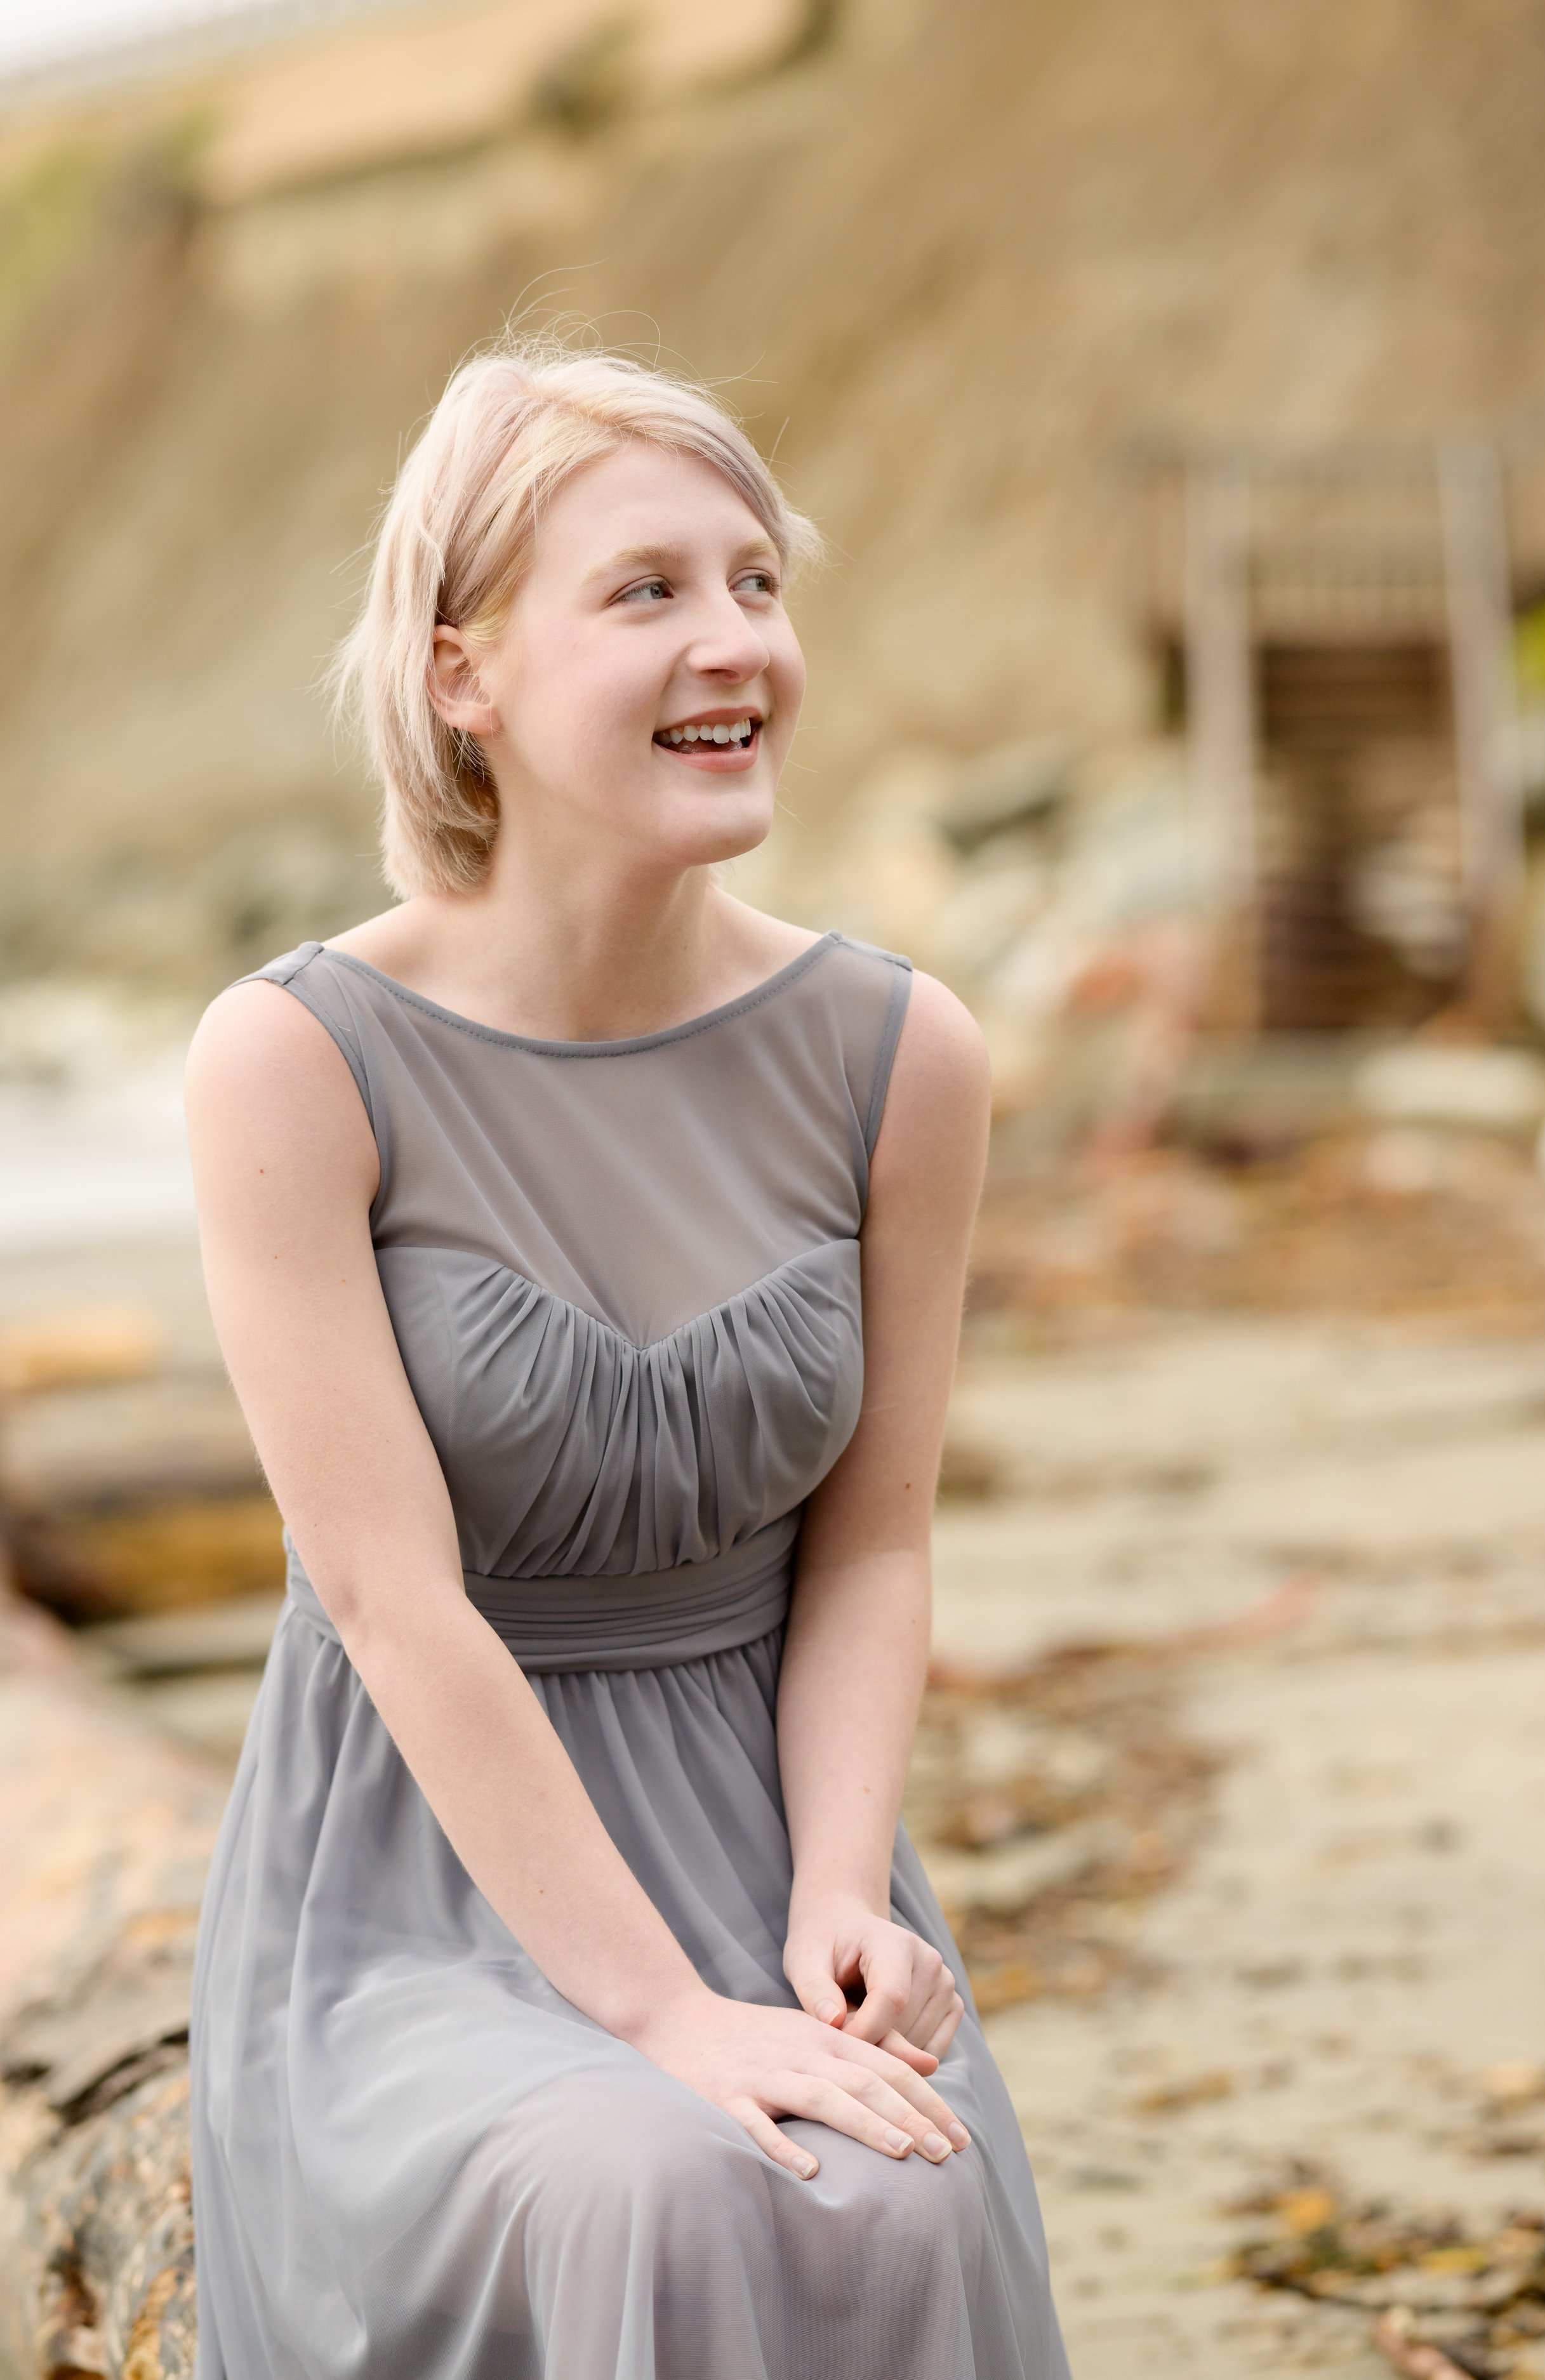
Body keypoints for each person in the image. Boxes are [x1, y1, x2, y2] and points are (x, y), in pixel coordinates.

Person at [185, 334, 1070, 2380]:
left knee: (875, 2188)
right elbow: (389, 1603)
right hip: (409, 1885)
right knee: (649, 2175)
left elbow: (871, 1544)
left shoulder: (895, 1054)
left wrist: (835, 1896)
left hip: (767, 1833)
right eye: (645, 590)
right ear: (458, 669)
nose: (733, 640)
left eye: (754, 580)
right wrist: (657, 2012)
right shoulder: (301, 1059)